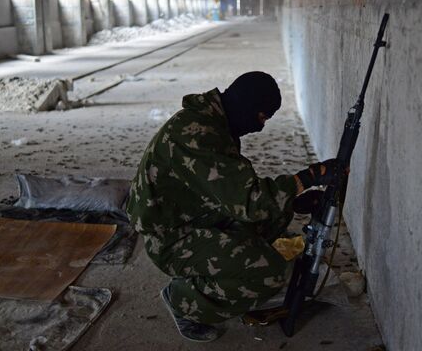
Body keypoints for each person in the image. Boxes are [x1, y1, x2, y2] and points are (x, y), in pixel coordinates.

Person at [126, 71, 339, 342]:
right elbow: (248, 201)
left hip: (194, 217)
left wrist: (292, 201)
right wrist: (309, 177)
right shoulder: (197, 134)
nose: (260, 127)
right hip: (170, 238)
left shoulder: (214, 123)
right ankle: (182, 300)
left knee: (276, 213)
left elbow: (230, 192)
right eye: (261, 117)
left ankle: (216, 277)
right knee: (268, 273)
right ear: (247, 106)